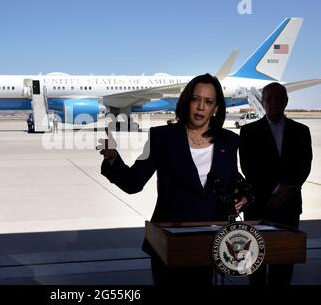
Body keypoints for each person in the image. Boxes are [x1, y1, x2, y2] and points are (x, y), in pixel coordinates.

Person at [97, 73, 248, 285]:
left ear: (216, 108)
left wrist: (242, 195)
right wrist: (113, 160)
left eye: (208, 101)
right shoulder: (162, 138)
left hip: (210, 242)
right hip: (169, 242)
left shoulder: (229, 141)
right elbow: (133, 182)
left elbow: (232, 179)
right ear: (186, 101)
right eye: (196, 99)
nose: (201, 107)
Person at [239, 82, 312, 285]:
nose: (274, 102)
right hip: (259, 206)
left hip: (288, 206)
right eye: (269, 98)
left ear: (286, 102)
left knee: (284, 265)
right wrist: (273, 192)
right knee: (256, 264)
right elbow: (249, 168)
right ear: (263, 102)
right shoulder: (248, 132)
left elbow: (304, 166)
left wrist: (282, 194)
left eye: (279, 98)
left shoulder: (301, 131)